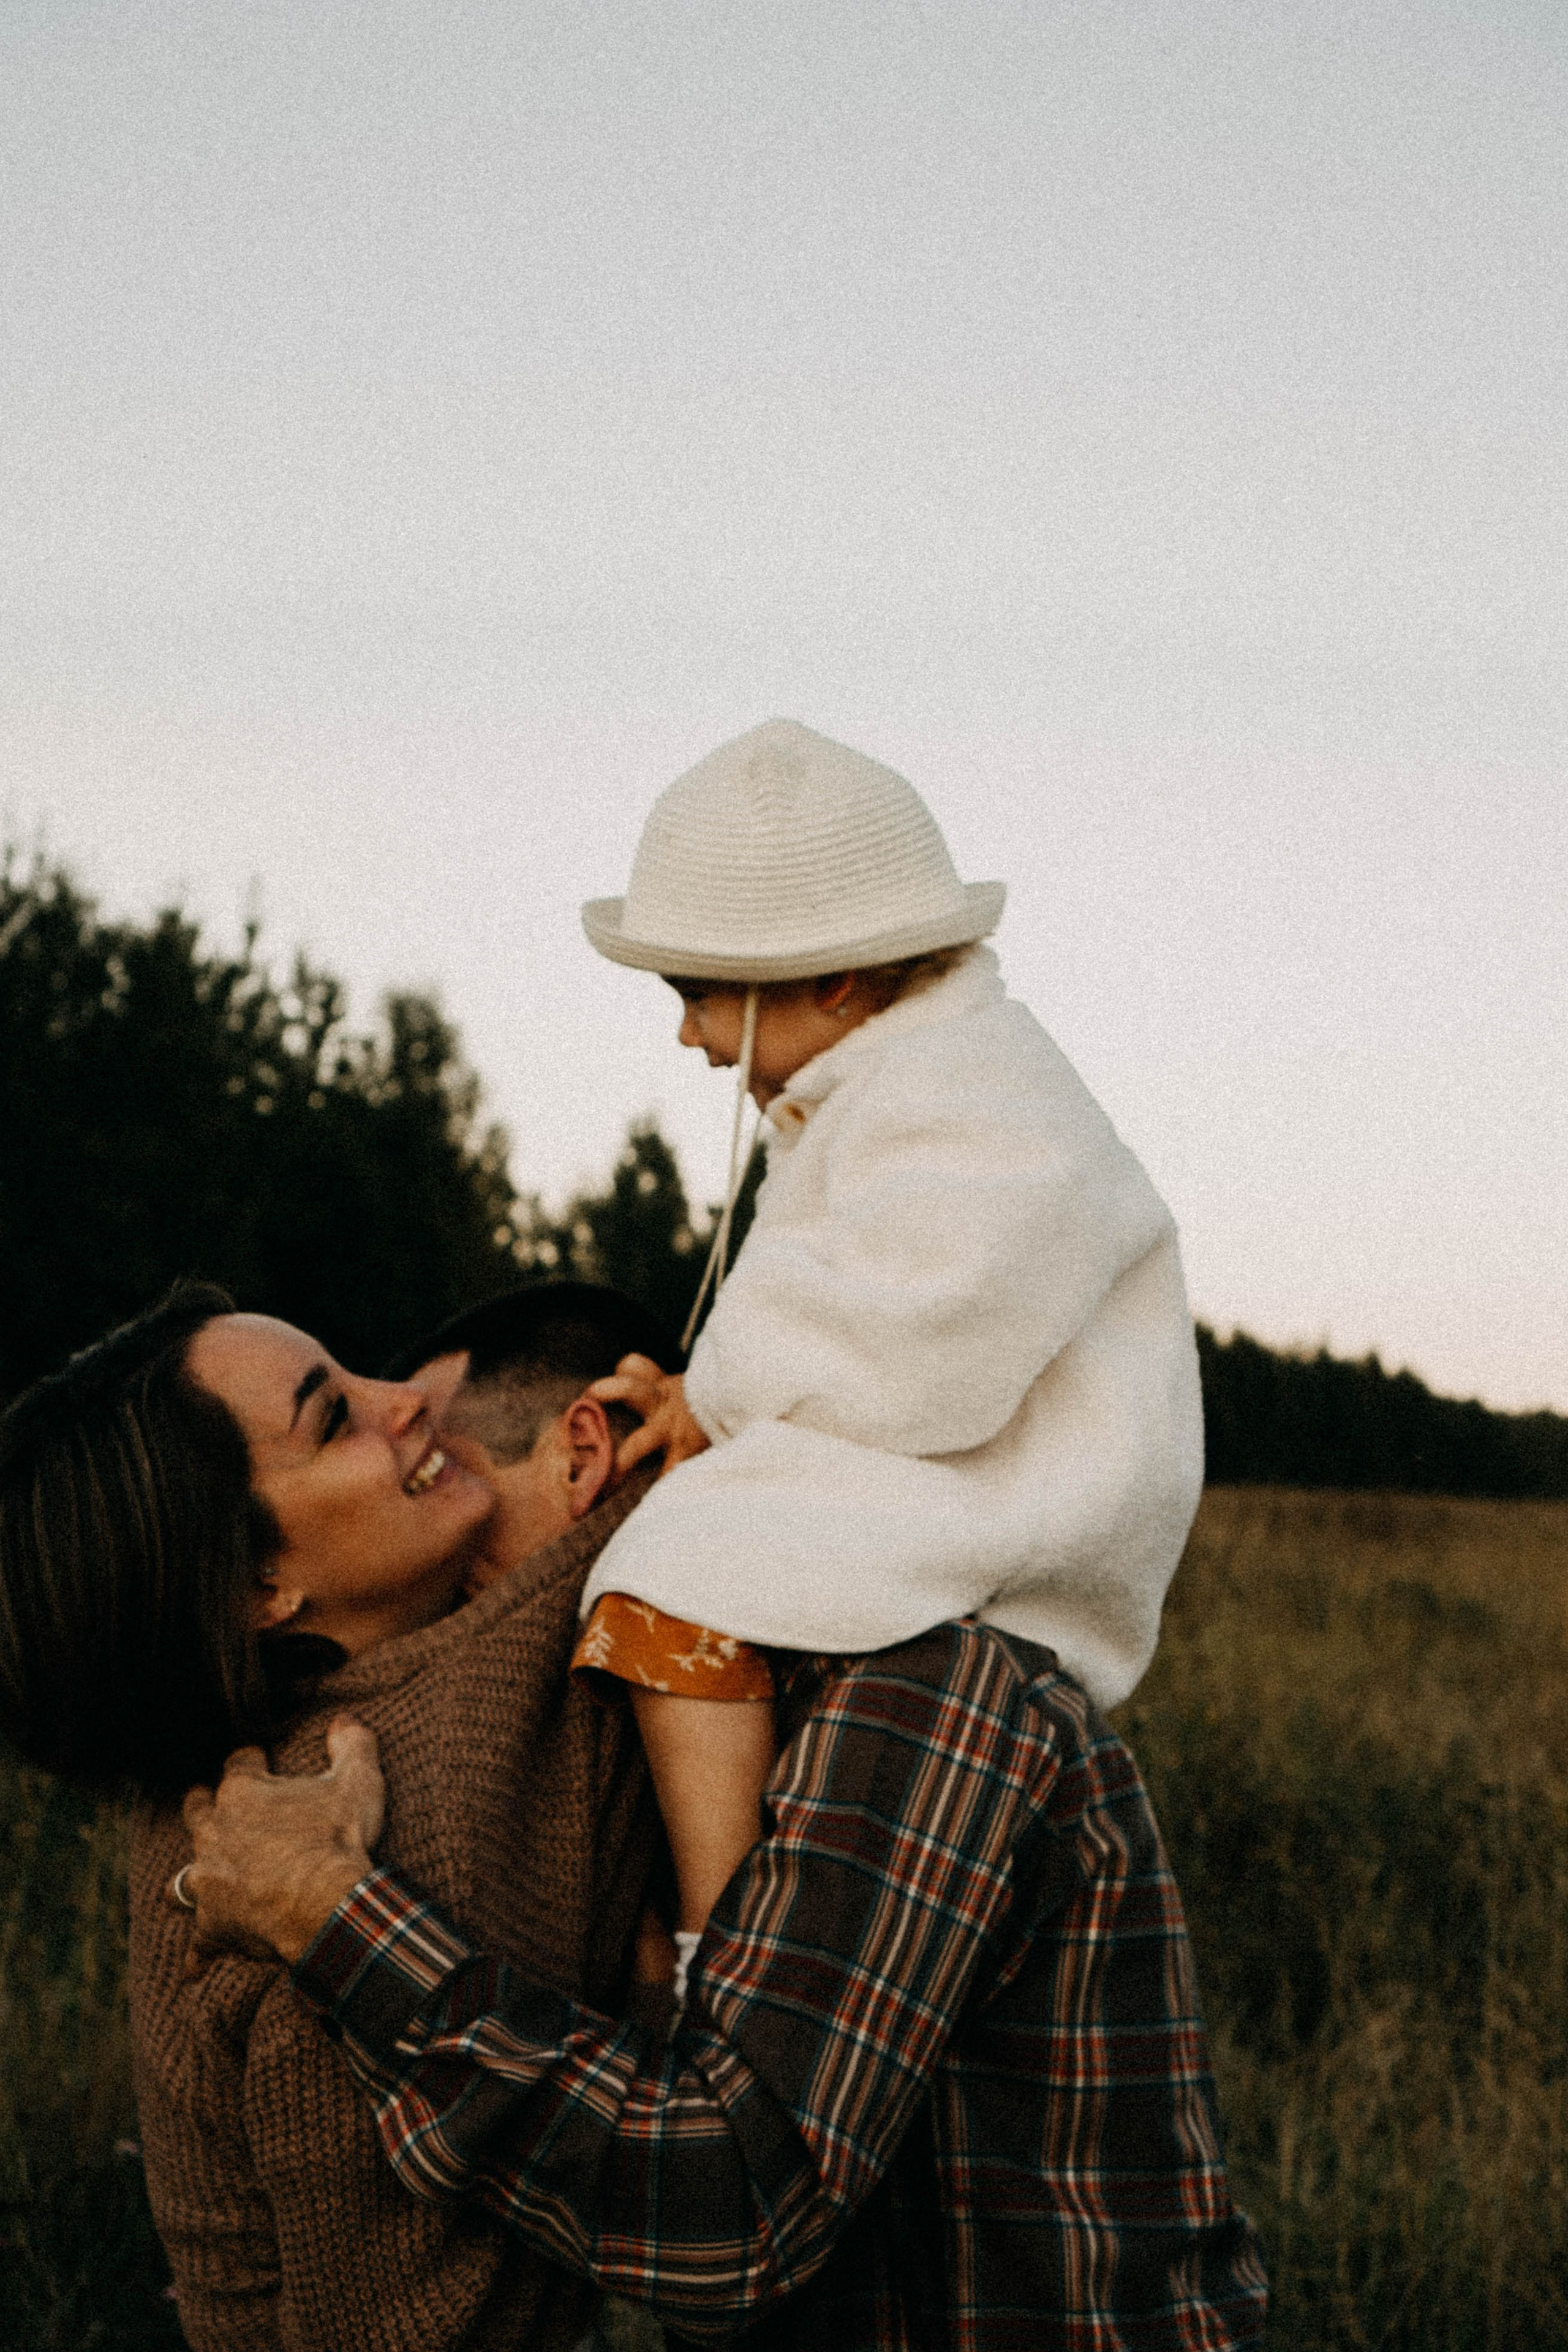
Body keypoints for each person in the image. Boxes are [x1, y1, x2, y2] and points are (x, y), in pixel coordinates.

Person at [177, 1616, 1269, 2348]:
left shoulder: (923, 1695)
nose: (406, 1427)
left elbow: (733, 2209)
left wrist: (323, 1913)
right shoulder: (575, 1760)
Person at [571, 717, 1207, 1973]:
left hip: (1018, 1492)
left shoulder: (979, 1095)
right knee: (687, 1534)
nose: (691, 1038)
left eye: (699, 996)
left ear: (831, 983)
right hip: (949, 1462)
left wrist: (723, 1396)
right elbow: (853, 1311)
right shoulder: (885, 1087)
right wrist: (709, 1394)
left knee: (671, 1572)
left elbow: (926, 1343)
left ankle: (723, 1947)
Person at [0, 1279, 679, 2352]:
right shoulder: (392, 1800)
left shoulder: (235, 1777)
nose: (405, 1400)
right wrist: (694, 1447)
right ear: (257, 1586)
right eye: (333, 1418)